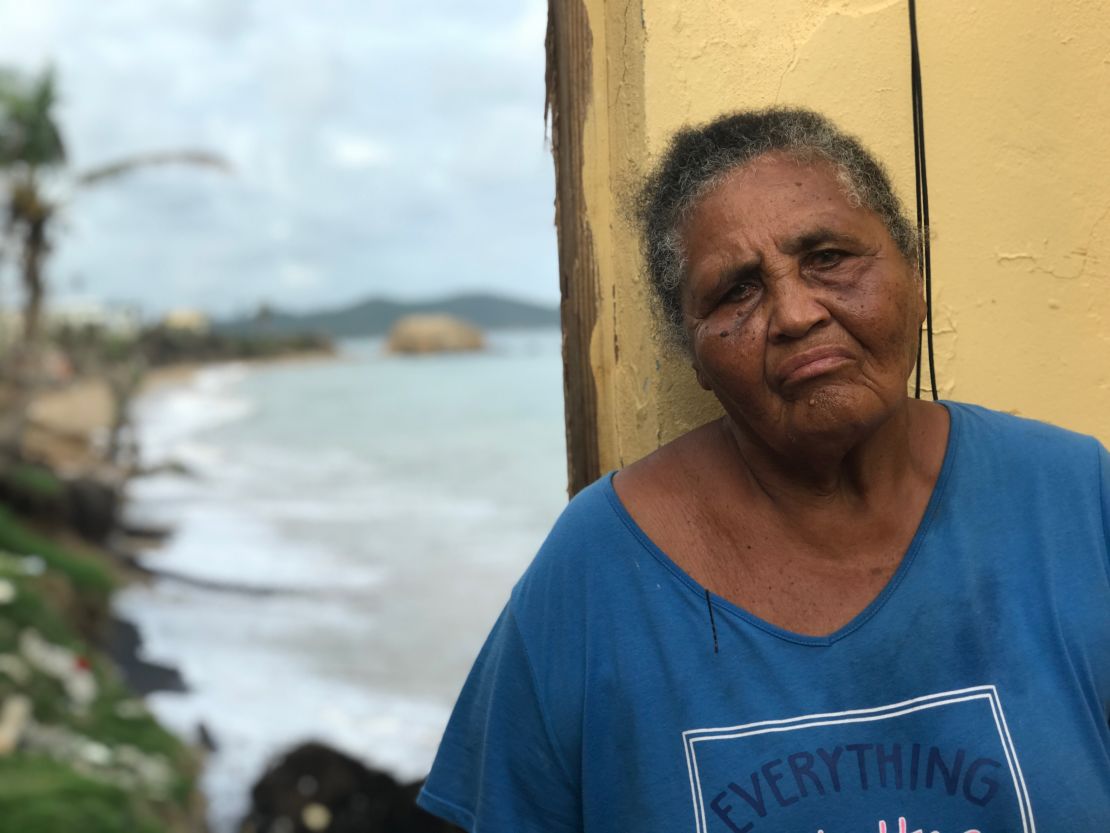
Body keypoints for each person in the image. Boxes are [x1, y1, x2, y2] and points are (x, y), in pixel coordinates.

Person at [416, 108, 1110, 832]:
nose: (796, 312)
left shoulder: (1074, 497)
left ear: (915, 270)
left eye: (829, 258)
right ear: (696, 354)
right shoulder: (597, 568)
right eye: (737, 290)